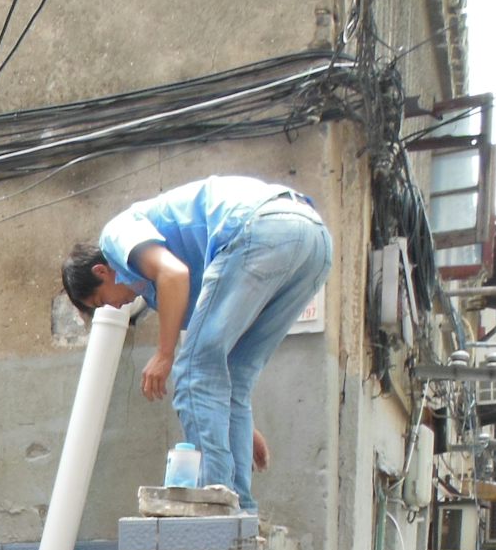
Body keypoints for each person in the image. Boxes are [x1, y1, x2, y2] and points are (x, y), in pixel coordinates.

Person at [61, 175, 332, 513]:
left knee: (190, 372)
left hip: (259, 227)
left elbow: (174, 274)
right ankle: (241, 510)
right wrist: (240, 429)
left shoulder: (116, 236)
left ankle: (217, 508)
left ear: (103, 271)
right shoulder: (157, 293)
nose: (116, 308)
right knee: (231, 375)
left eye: (103, 301)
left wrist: (164, 354)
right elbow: (219, 370)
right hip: (313, 241)